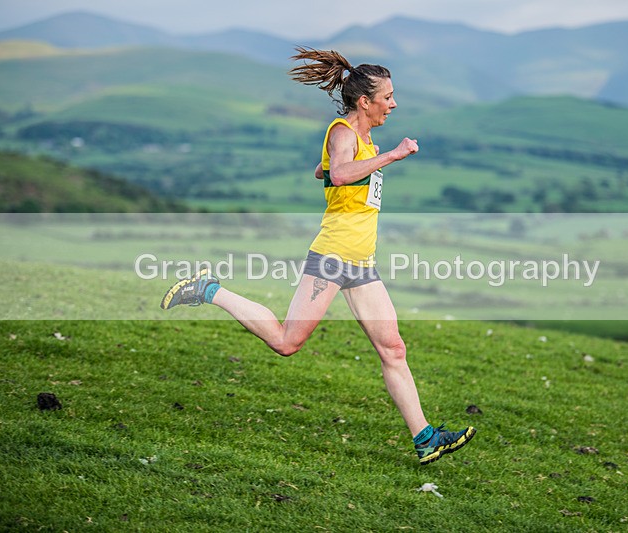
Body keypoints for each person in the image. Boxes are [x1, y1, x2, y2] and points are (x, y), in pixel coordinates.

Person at [161, 46, 475, 465]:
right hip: (333, 256)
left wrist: (336, 165)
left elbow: (325, 171)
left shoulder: (362, 139)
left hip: (361, 262)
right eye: (388, 97)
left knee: (393, 349)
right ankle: (207, 290)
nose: (394, 104)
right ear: (364, 101)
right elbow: (340, 174)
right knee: (287, 342)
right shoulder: (343, 132)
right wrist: (393, 155)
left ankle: (425, 439)